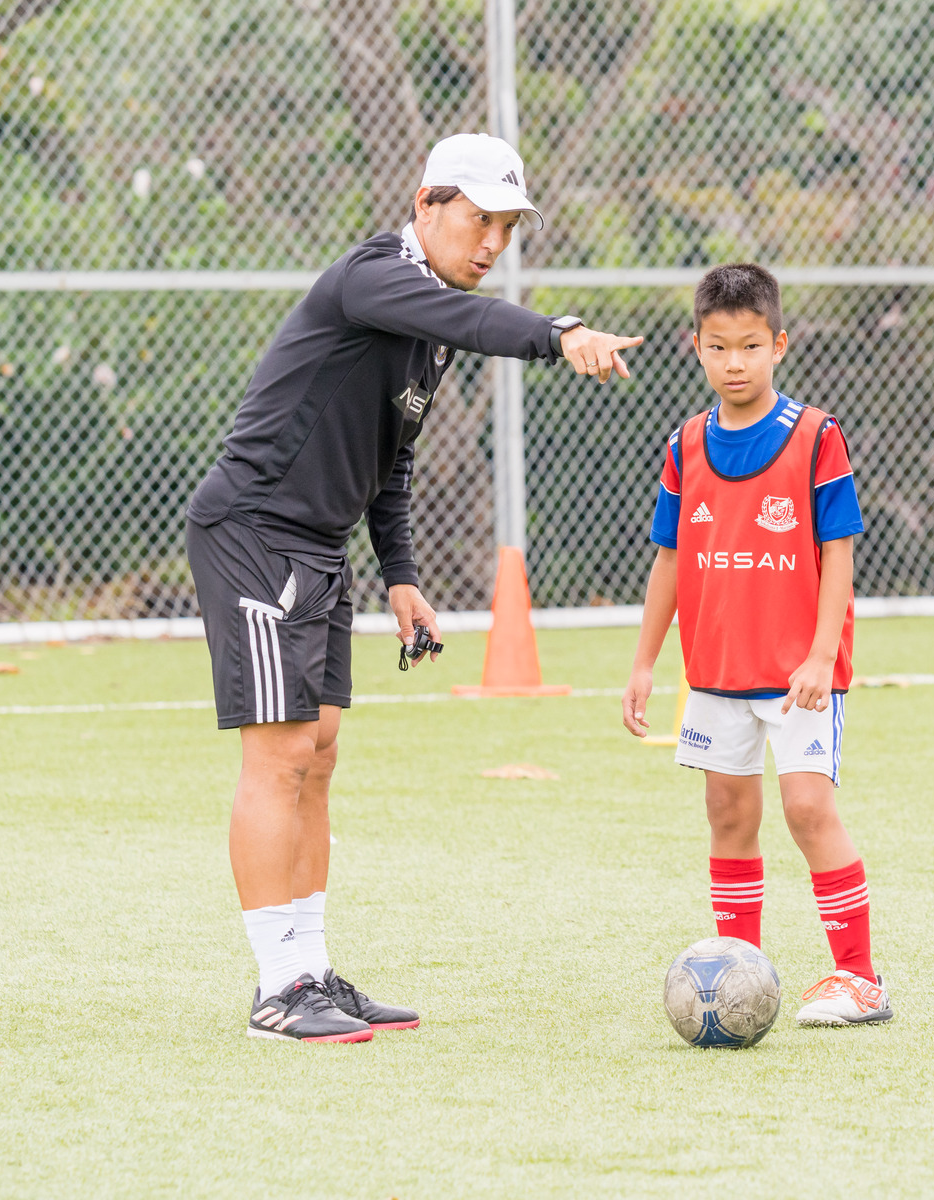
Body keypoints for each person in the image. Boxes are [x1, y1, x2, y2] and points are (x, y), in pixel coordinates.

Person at [186, 133, 642, 1043]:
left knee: (317, 756)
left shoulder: (423, 326)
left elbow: (389, 465)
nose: (492, 243)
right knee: (275, 760)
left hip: (318, 547)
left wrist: (401, 578)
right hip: (254, 531)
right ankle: (278, 990)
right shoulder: (376, 277)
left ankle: (312, 970)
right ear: (428, 201)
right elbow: (478, 325)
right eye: (479, 219)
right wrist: (561, 334)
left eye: (508, 228)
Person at [620, 263, 890, 1027]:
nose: (733, 363)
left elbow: (838, 551)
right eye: (717, 347)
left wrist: (818, 653)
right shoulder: (686, 445)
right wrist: (645, 661)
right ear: (695, 348)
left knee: (807, 809)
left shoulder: (815, 436)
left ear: (778, 344)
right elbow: (669, 559)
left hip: (799, 675)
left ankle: (860, 978)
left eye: (748, 346)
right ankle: (739, 976)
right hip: (716, 674)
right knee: (728, 814)